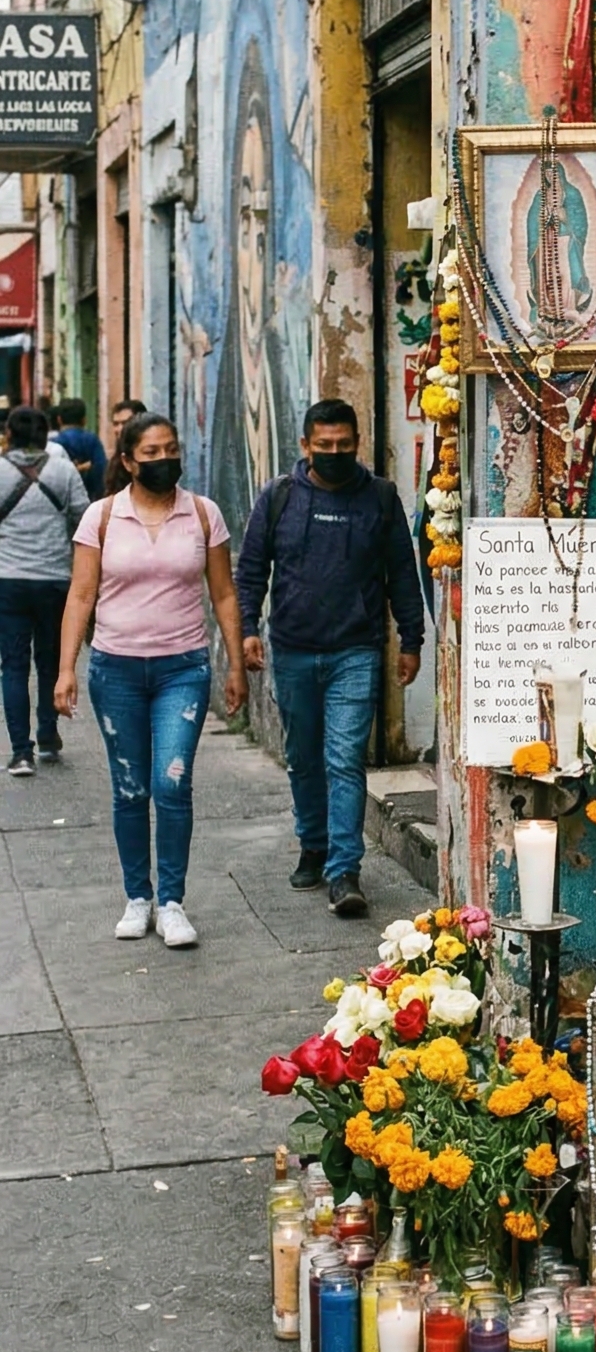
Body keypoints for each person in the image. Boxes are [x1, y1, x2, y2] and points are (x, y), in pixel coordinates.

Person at [54, 412, 246, 948]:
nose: (164, 460)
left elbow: (225, 594)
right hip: (114, 669)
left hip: (182, 669)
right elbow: (81, 595)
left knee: (171, 782)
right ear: (128, 462)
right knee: (131, 788)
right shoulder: (102, 517)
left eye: (171, 450)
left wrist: (235, 664)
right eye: (151, 453)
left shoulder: (204, 515)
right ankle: (137, 897)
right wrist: (67, 668)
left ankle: (172, 902)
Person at [235, 398, 424, 920]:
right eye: (325, 447)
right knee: (304, 756)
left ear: (357, 443)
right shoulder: (279, 498)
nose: (335, 454)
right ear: (305, 446)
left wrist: (412, 641)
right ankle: (312, 843)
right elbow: (251, 571)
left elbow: (402, 577)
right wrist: (247, 630)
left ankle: (345, 870)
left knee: (344, 759)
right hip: (293, 649)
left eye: (344, 446)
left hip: (355, 652)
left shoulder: (380, 499)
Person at [0, 405, 91, 776]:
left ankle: (21, 752)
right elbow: (84, 517)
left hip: (8, 581)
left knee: (13, 666)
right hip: (54, 580)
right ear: (45, 435)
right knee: (50, 661)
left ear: (9, 434)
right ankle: (49, 737)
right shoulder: (64, 469)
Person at [50, 397, 109, 502]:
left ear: (59, 420)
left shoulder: (54, 444)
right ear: (84, 420)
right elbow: (101, 468)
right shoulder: (92, 440)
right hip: (90, 499)